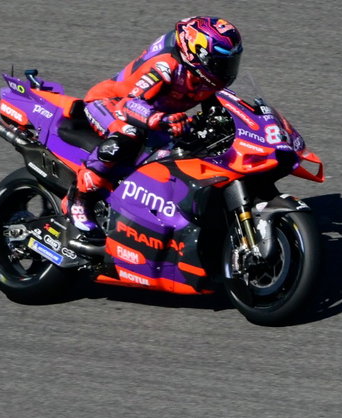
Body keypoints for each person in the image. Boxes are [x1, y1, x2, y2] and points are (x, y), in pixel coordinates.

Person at [63, 16, 243, 249]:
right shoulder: (166, 67)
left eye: (231, 62)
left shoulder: (204, 78)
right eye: (220, 62)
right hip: (108, 103)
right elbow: (129, 105)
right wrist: (162, 119)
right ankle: (79, 199)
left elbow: (222, 112)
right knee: (128, 133)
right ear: (197, 54)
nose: (227, 70)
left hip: (151, 116)